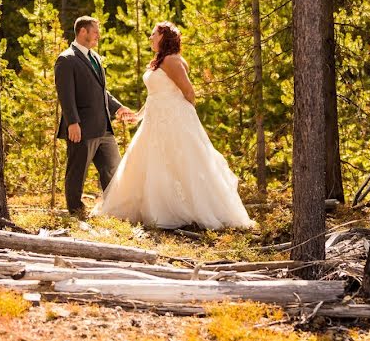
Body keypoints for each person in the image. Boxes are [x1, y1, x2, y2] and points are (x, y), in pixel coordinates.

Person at [93, 21, 254, 229]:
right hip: (154, 121)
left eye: (154, 34)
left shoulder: (172, 60)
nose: (150, 38)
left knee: (179, 161)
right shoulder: (160, 61)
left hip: (173, 121)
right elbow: (155, 96)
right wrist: (139, 116)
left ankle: (181, 211)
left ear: (164, 37)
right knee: (150, 163)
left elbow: (188, 92)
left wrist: (181, 118)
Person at [55, 16, 133, 217]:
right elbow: (66, 94)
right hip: (81, 128)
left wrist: (117, 108)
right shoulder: (66, 59)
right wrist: (72, 122)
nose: (98, 35)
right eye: (95, 31)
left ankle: (114, 210)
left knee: (113, 170)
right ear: (82, 32)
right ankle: (76, 211)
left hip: (104, 127)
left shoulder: (96, 57)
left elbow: (102, 92)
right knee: (77, 172)